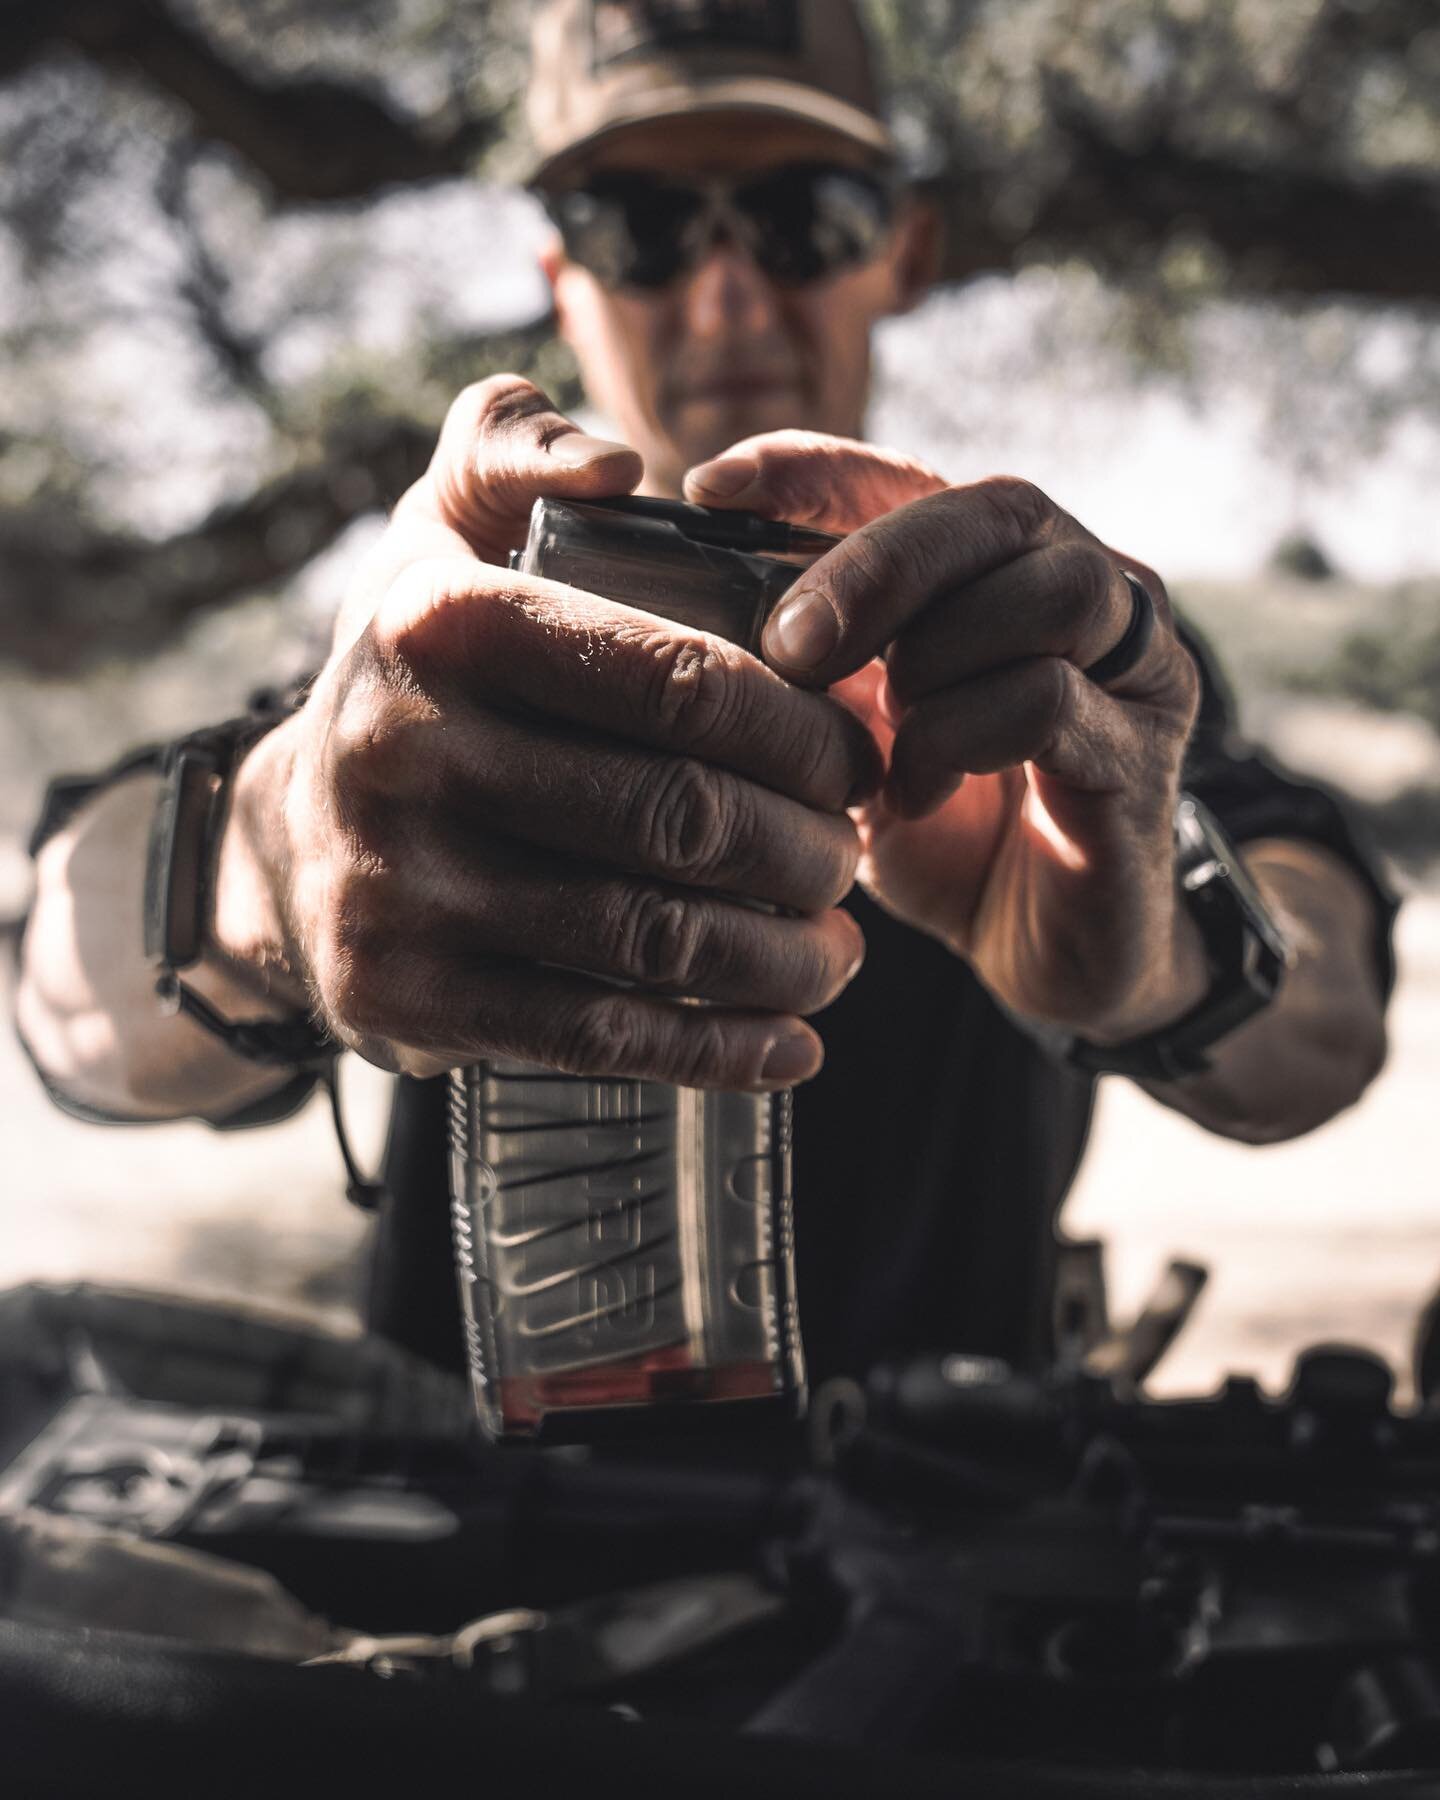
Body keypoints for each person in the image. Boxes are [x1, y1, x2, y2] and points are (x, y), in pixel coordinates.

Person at [15, 0, 1394, 1384]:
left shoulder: (1046, 645)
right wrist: (281, 852)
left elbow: (1326, 1020)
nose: (727, 295)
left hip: (965, 1531)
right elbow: (64, 986)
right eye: (641, 226)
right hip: (462, 1552)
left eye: (804, 215)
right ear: (564, 279)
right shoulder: (437, 639)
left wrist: (1149, 948)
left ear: (904, 250)